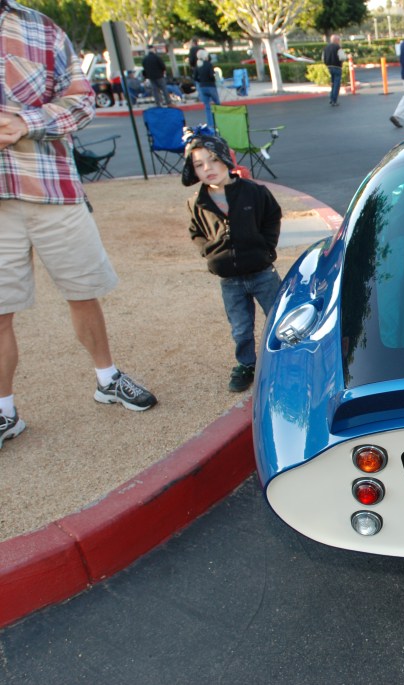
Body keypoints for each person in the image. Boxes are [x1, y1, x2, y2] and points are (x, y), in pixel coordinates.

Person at [0, 0, 158, 448]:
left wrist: (24, 123)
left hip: (51, 186)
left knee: (83, 291)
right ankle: (4, 412)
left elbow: (82, 100)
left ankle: (107, 379)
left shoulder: (39, 27)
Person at [182, 127, 282, 393]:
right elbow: (196, 232)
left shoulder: (254, 192)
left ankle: (285, 361)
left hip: (262, 272)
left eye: (214, 160)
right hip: (230, 279)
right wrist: (210, 254)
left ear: (226, 159)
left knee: (279, 317)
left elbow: (272, 216)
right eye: (200, 164)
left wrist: (265, 246)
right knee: (240, 327)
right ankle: (246, 364)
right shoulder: (198, 202)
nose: (208, 168)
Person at [193, 49, 220, 129]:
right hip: (210, 86)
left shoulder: (197, 65)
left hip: (202, 87)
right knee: (217, 104)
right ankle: (220, 120)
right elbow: (211, 76)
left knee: (207, 107)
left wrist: (201, 81)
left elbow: (195, 77)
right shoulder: (208, 64)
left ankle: (210, 124)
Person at [323, 34, 345, 107]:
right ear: (336, 40)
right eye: (338, 40)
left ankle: (331, 98)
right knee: (336, 84)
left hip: (329, 67)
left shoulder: (326, 47)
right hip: (337, 67)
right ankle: (334, 100)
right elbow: (342, 57)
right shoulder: (338, 47)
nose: (339, 41)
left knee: (332, 83)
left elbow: (323, 58)